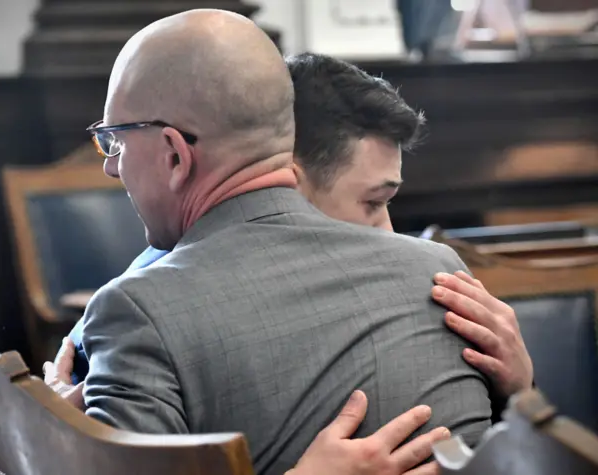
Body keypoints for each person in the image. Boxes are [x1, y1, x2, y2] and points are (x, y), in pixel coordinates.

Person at [44, 10, 533, 475]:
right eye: (371, 202)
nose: (111, 165)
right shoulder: (439, 272)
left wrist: (50, 437)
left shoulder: (134, 314)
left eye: (118, 141)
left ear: (174, 154)